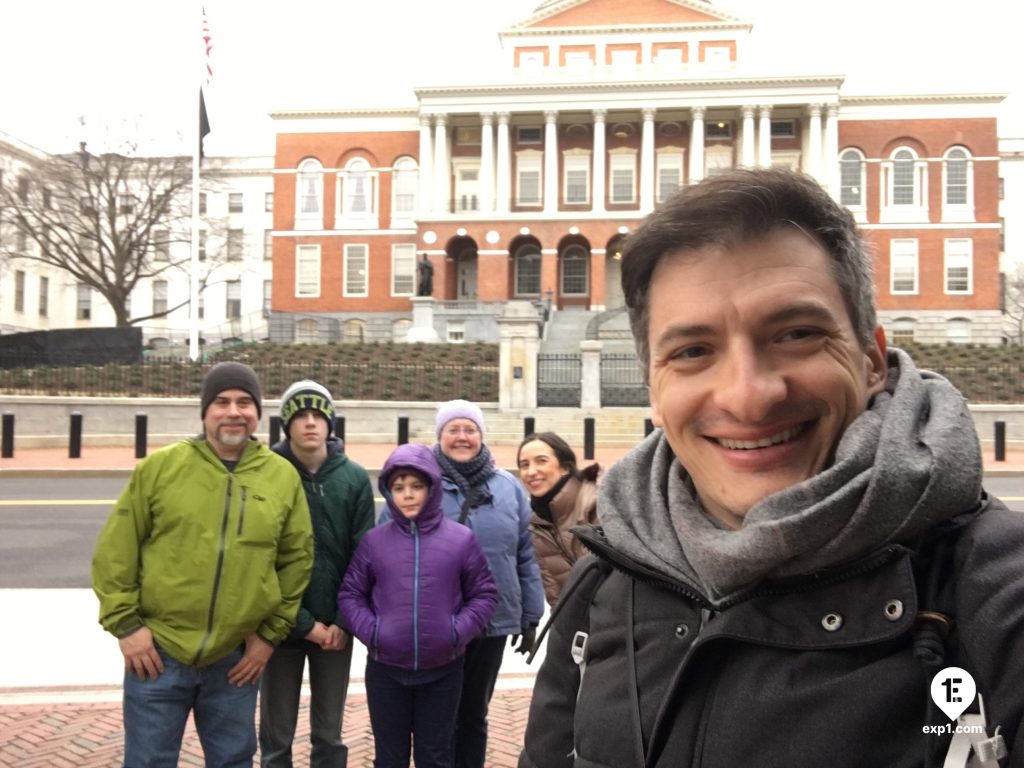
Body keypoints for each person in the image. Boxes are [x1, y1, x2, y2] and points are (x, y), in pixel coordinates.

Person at [519, 168, 1024, 768]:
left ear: (871, 359)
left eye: (796, 333)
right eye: (692, 351)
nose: (748, 396)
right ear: (654, 384)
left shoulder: (996, 592)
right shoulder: (603, 584)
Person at [92, 361, 313, 768]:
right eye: (222, 402)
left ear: (258, 414)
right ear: (205, 412)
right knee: (147, 762)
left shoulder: (281, 477)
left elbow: (296, 562)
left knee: (233, 761)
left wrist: (268, 635)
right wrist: (127, 626)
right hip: (157, 655)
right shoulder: (162, 468)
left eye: (245, 402)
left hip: (235, 661)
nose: (234, 411)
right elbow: (115, 552)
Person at [338, 443, 498, 768]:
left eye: (416, 486)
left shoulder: (460, 539)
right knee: (390, 757)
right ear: (389, 492)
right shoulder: (374, 541)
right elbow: (350, 594)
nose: (407, 494)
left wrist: (456, 631)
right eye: (398, 488)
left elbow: (484, 594)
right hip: (386, 671)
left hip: (443, 672)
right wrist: (374, 631)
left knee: (435, 756)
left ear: (432, 489)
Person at [259, 379, 375, 768]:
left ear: (331, 423)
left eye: (318, 415)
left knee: (329, 735)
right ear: (286, 424)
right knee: (276, 736)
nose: (310, 423)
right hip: (280, 626)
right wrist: (302, 623)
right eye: (300, 415)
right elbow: (261, 562)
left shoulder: (354, 479)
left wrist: (344, 620)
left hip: (336, 631)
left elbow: (363, 556)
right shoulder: (267, 474)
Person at [423, 399, 545, 768]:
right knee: (437, 715)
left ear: (481, 435)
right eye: (453, 430)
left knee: (474, 714)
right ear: (440, 435)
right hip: (436, 621)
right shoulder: (421, 482)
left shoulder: (507, 487)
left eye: (470, 429)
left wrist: (531, 613)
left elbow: (524, 552)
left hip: (491, 621)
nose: (462, 437)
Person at [516, 432, 600, 606]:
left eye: (541, 461)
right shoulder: (538, 524)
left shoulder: (594, 504)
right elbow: (557, 598)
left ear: (565, 467)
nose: (531, 472)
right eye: (524, 465)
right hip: (582, 625)